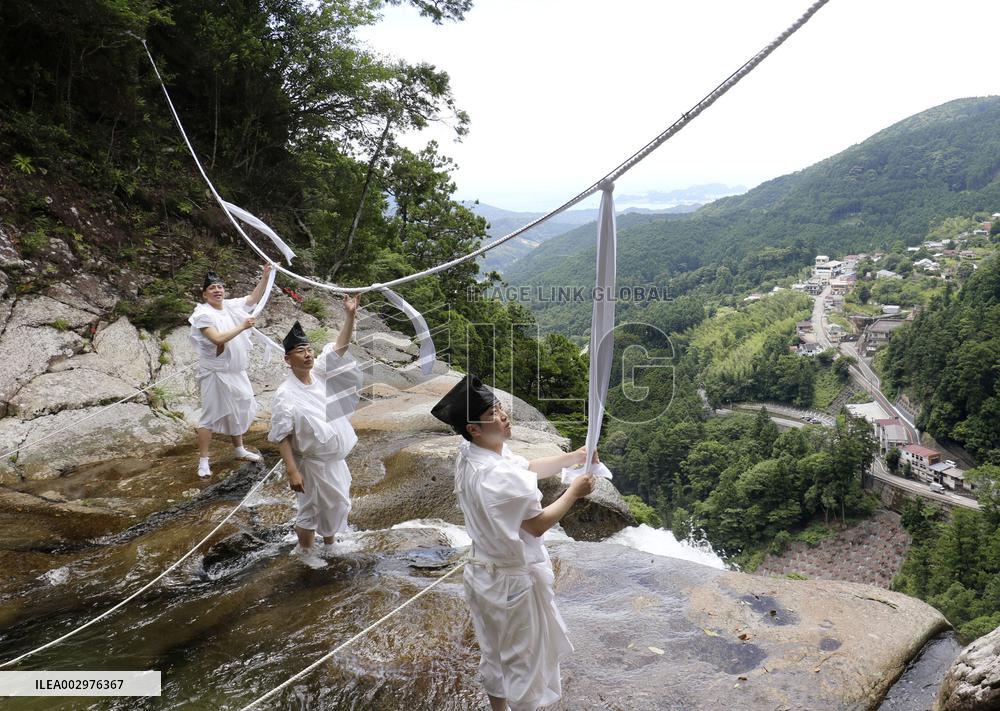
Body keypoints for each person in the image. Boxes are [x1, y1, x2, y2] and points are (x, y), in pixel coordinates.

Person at [431, 374, 596, 711]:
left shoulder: (471, 454)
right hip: (512, 583)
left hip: (482, 573)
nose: (504, 416)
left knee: (493, 651)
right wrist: (573, 493)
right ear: (474, 428)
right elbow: (536, 526)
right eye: (492, 413)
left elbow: (527, 467)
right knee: (525, 661)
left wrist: (573, 458)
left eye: (500, 407)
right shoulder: (498, 476)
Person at [268, 296, 360, 569]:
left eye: (309, 349)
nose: (307, 354)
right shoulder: (285, 395)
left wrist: (350, 316)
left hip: (334, 459)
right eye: (300, 351)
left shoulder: (319, 373)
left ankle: (330, 544)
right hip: (312, 463)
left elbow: (339, 348)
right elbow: (281, 435)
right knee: (310, 507)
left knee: (337, 502)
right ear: (288, 359)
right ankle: (306, 551)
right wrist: (292, 471)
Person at [189, 265, 273, 478]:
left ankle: (239, 449)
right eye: (212, 288)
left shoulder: (230, 306)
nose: (217, 290)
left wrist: (265, 275)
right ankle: (204, 461)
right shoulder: (202, 314)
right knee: (209, 415)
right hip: (215, 372)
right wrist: (243, 326)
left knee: (242, 405)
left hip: (236, 371)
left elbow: (253, 299)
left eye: (219, 287)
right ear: (204, 294)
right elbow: (216, 338)